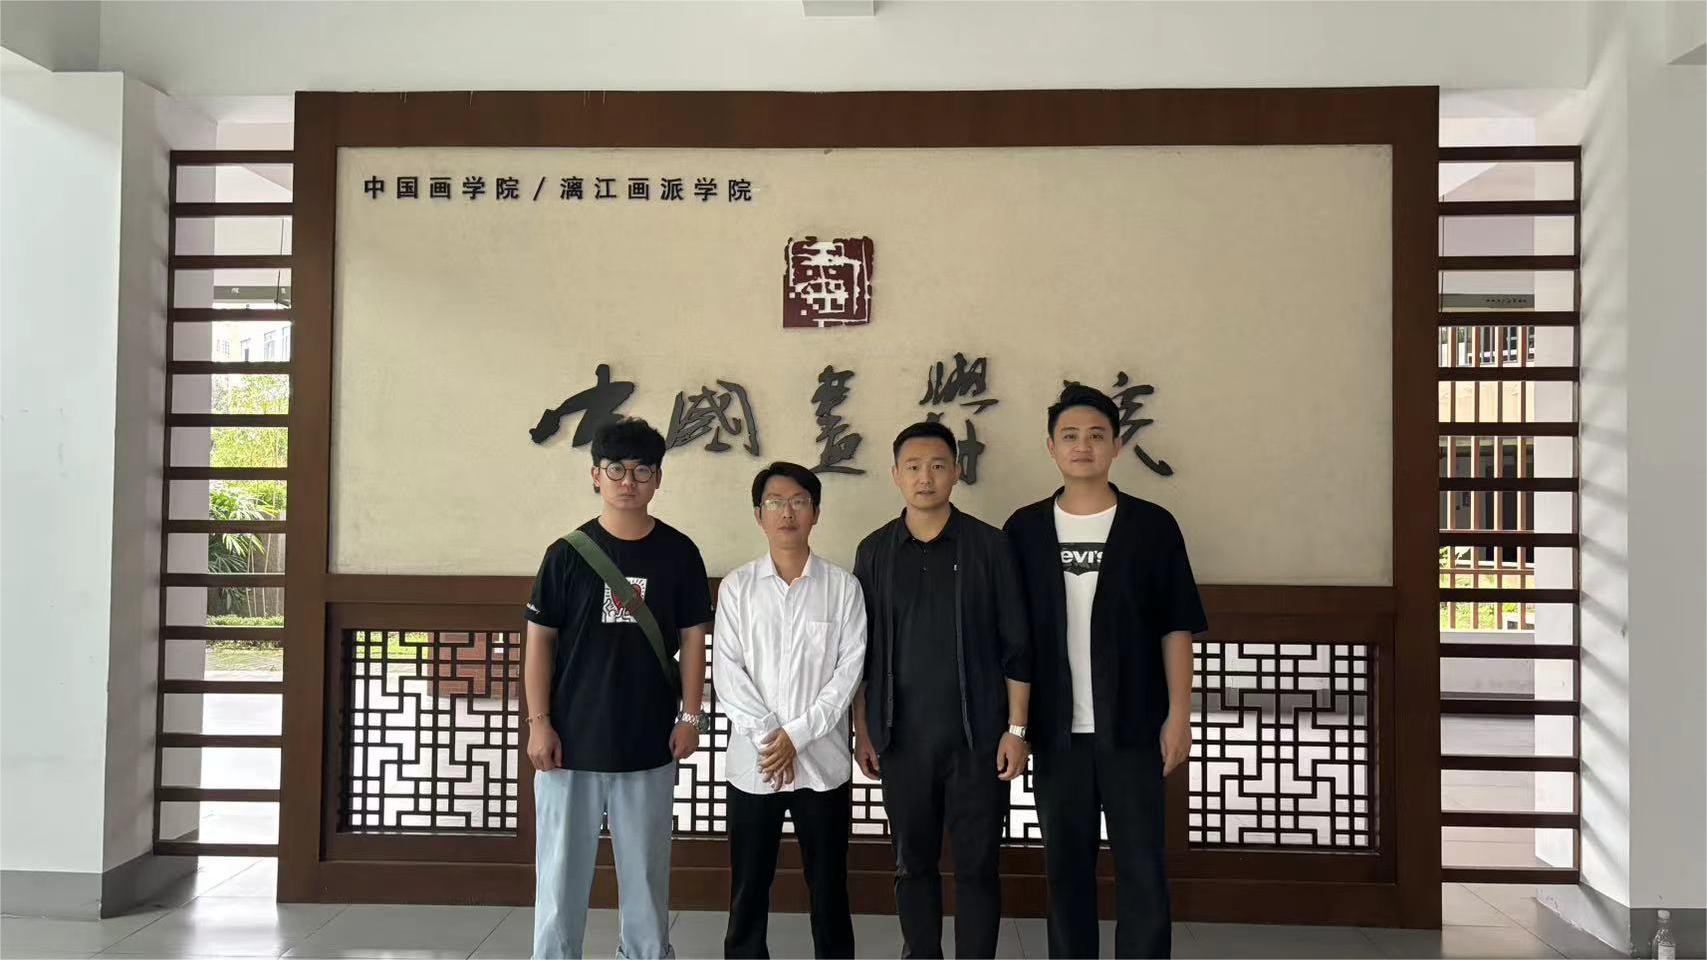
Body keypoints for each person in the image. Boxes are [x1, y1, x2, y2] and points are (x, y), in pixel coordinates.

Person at [1002, 384, 1208, 959]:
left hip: (1134, 730)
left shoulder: (1152, 527)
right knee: (1066, 869)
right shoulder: (1025, 530)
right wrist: (1016, 727)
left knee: (1142, 867)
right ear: (1051, 447)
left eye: (1096, 435)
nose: (1083, 446)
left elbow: (1176, 626)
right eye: (1069, 435)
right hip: (1057, 734)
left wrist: (1180, 716)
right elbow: (1012, 638)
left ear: (1117, 446)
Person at [523, 417, 713, 960]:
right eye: (616, 469)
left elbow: (694, 640)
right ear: (595, 476)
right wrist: (539, 723)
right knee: (559, 877)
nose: (628, 481)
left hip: (648, 741)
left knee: (647, 877)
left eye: (642, 470)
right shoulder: (565, 554)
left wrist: (691, 717)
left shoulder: (680, 552)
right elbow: (539, 643)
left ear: (658, 479)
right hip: (569, 744)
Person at [851, 421, 1032, 960]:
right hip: (901, 739)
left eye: (936, 466)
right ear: (895, 475)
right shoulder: (874, 551)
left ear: (956, 472)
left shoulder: (989, 546)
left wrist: (1017, 729)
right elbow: (860, 652)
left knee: (978, 867)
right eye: (913, 467)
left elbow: (1017, 645)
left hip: (978, 740)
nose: (925, 478)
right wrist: (863, 729)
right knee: (913, 866)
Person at [713, 461, 866, 959]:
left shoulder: (843, 588)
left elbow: (848, 674)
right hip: (755, 765)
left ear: (815, 513)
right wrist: (772, 740)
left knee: (829, 886)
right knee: (748, 886)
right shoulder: (737, 588)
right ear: (758, 515)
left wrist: (795, 736)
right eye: (775, 502)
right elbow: (727, 673)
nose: (787, 512)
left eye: (799, 501)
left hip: (822, 764)